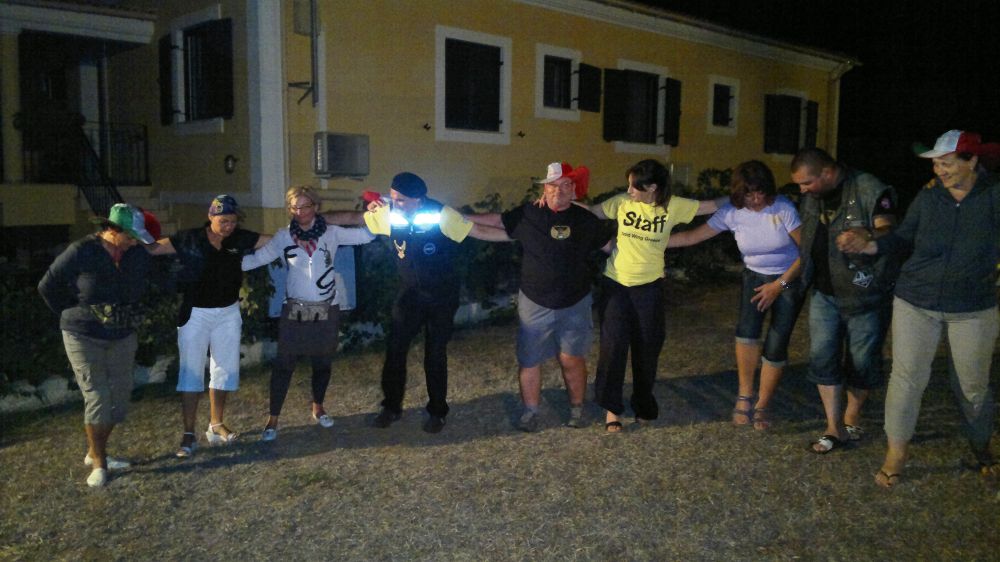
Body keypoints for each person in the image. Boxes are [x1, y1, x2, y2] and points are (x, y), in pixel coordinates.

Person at [838, 130, 1000, 486]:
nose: (939, 171)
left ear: (972, 161)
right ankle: (896, 453)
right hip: (916, 300)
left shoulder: (994, 196)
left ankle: (981, 445)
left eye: (947, 163)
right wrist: (869, 245)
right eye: (936, 164)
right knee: (906, 378)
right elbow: (902, 236)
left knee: (973, 386)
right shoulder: (929, 197)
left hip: (972, 306)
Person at [464, 162, 614, 431]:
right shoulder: (528, 214)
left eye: (565, 185)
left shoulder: (585, 220)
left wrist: (648, 257)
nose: (558, 191)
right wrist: (457, 217)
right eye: (552, 185)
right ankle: (531, 412)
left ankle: (577, 408)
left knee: (571, 358)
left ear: (574, 189)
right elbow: (496, 221)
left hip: (576, 301)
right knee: (530, 359)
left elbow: (611, 247)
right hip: (534, 301)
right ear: (544, 189)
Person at [668, 160, 804, 430]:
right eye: (749, 194)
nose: (756, 199)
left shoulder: (783, 208)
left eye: (760, 192)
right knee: (746, 334)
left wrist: (779, 285)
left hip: (788, 279)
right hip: (754, 277)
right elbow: (692, 237)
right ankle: (745, 395)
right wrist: (649, 242)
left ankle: (763, 404)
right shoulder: (732, 212)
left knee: (777, 342)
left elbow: (806, 253)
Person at [364, 172, 505, 433]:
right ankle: (391, 407)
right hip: (409, 295)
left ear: (418, 200)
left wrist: (520, 236)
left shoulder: (441, 214)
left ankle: (437, 412)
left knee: (435, 353)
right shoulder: (389, 212)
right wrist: (319, 217)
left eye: (400, 200)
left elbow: (479, 231)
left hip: (441, 295)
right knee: (395, 350)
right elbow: (356, 219)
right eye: (393, 198)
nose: (395, 204)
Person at [588, 159, 721, 432]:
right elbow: (591, 213)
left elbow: (711, 206)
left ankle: (643, 405)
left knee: (647, 348)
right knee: (613, 348)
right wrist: (556, 203)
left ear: (652, 188)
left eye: (634, 186)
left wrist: (746, 197)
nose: (629, 191)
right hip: (616, 283)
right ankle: (612, 409)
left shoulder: (673, 206)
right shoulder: (621, 203)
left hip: (649, 287)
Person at [241, 185, 374, 441]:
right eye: (294, 207)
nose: (299, 212)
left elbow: (366, 236)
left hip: (327, 307)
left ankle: (318, 406)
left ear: (316, 207)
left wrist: (377, 214)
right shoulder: (283, 236)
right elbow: (257, 259)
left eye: (305, 206)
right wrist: (220, 263)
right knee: (284, 364)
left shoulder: (331, 233)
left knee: (322, 362)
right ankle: (273, 418)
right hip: (295, 309)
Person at [38, 204, 156, 487]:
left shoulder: (135, 254)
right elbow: (47, 286)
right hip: (83, 334)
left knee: (120, 397)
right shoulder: (82, 251)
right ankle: (100, 463)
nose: (133, 242)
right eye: (130, 236)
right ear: (112, 230)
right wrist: (74, 312)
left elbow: (150, 278)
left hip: (122, 333)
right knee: (98, 397)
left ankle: (94, 449)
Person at [790, 147, 899, 454]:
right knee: (822, 357)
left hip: (866, 292)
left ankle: (851, 417)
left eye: (807, 183)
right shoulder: (813, 196)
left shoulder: (870, 188)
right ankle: (833, 426)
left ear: (827, 173)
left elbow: (890, 231)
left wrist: (867, 236)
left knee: (862, 361)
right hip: (824, 292)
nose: (803, 190)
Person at [147, 195, 269, 457]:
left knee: (224, 369)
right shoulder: (189, 238)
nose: (229, 226)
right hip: (196, 314)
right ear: (211, 216)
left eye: (233, 221)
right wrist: (133, 238)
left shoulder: (239, 238)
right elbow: (154, 249)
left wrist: (303, 232)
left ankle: (216, 424)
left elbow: (274, 241)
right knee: (191, 373)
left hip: (228, 312)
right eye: (223, 221)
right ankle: (189, 434)